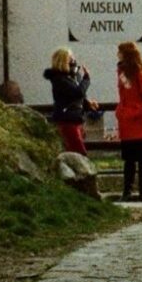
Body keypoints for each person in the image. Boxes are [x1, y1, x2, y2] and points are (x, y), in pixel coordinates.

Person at [42, 47, 99, 194]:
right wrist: (87, 79)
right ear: (63, 60)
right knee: (79, 153)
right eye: (70, 58)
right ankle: (86, 188)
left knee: (75, 153)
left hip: (77, 119)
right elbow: (77, 92)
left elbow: (78, 97)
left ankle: (78, 188)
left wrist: (87, 104)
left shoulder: (72, 77)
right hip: (67, 121)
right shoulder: (59, 80)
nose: (73, 60)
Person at [115, 40, 142, 204]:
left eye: (119, 51)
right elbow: (124, 95)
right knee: (129, 161)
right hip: (128, 123)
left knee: (141, 161)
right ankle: (128, 191)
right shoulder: (121, 71)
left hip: (138, 124)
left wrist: (132, 112)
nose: (117, 54)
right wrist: (120, 110)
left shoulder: (139, 73)